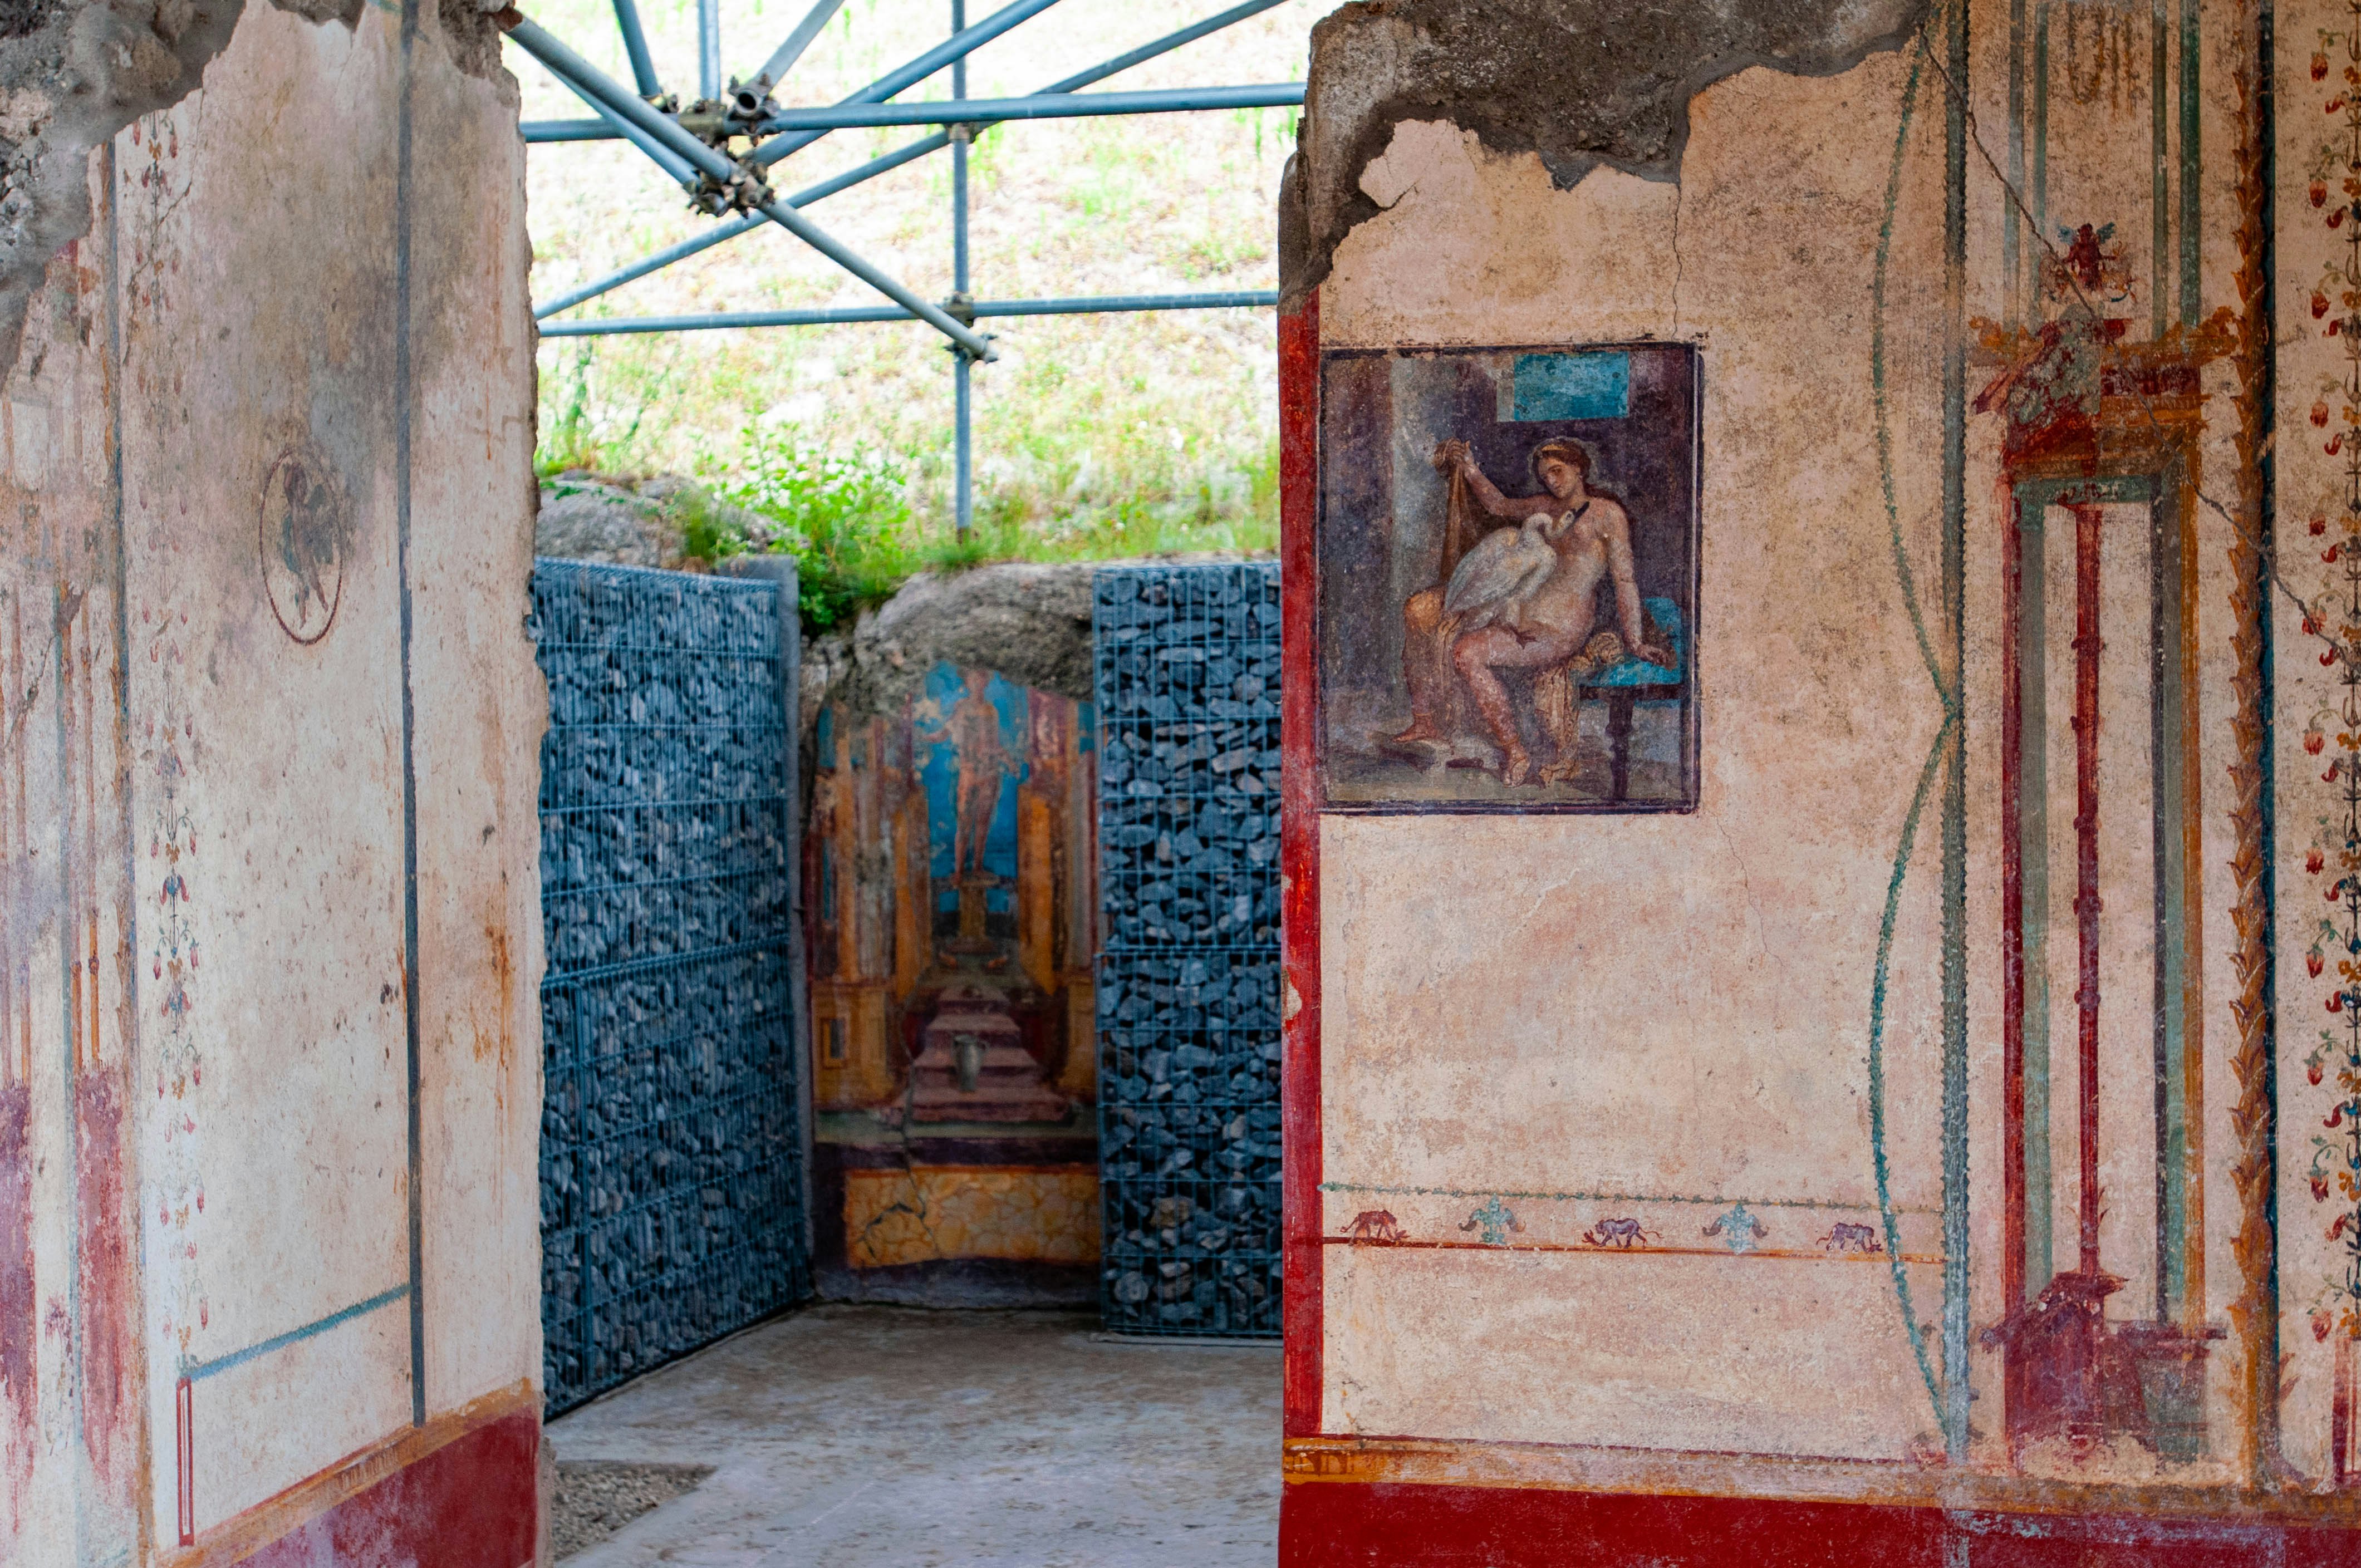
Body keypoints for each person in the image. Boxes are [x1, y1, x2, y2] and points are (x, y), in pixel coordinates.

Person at [1390, 438, 1669, 787]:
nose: (1551, 481)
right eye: (1545, 475)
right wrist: (1471, 468)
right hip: (1512, 610)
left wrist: (1636, 641)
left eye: (1557, 471)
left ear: (1579, 468)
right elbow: (1499, 505)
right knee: (1420, 609)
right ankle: (1424, 718)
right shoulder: (1543, 507)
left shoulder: (1608, 515)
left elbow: (1625, 581)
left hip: (1557, 627)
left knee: (1466, 653)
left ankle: (1515, 751)